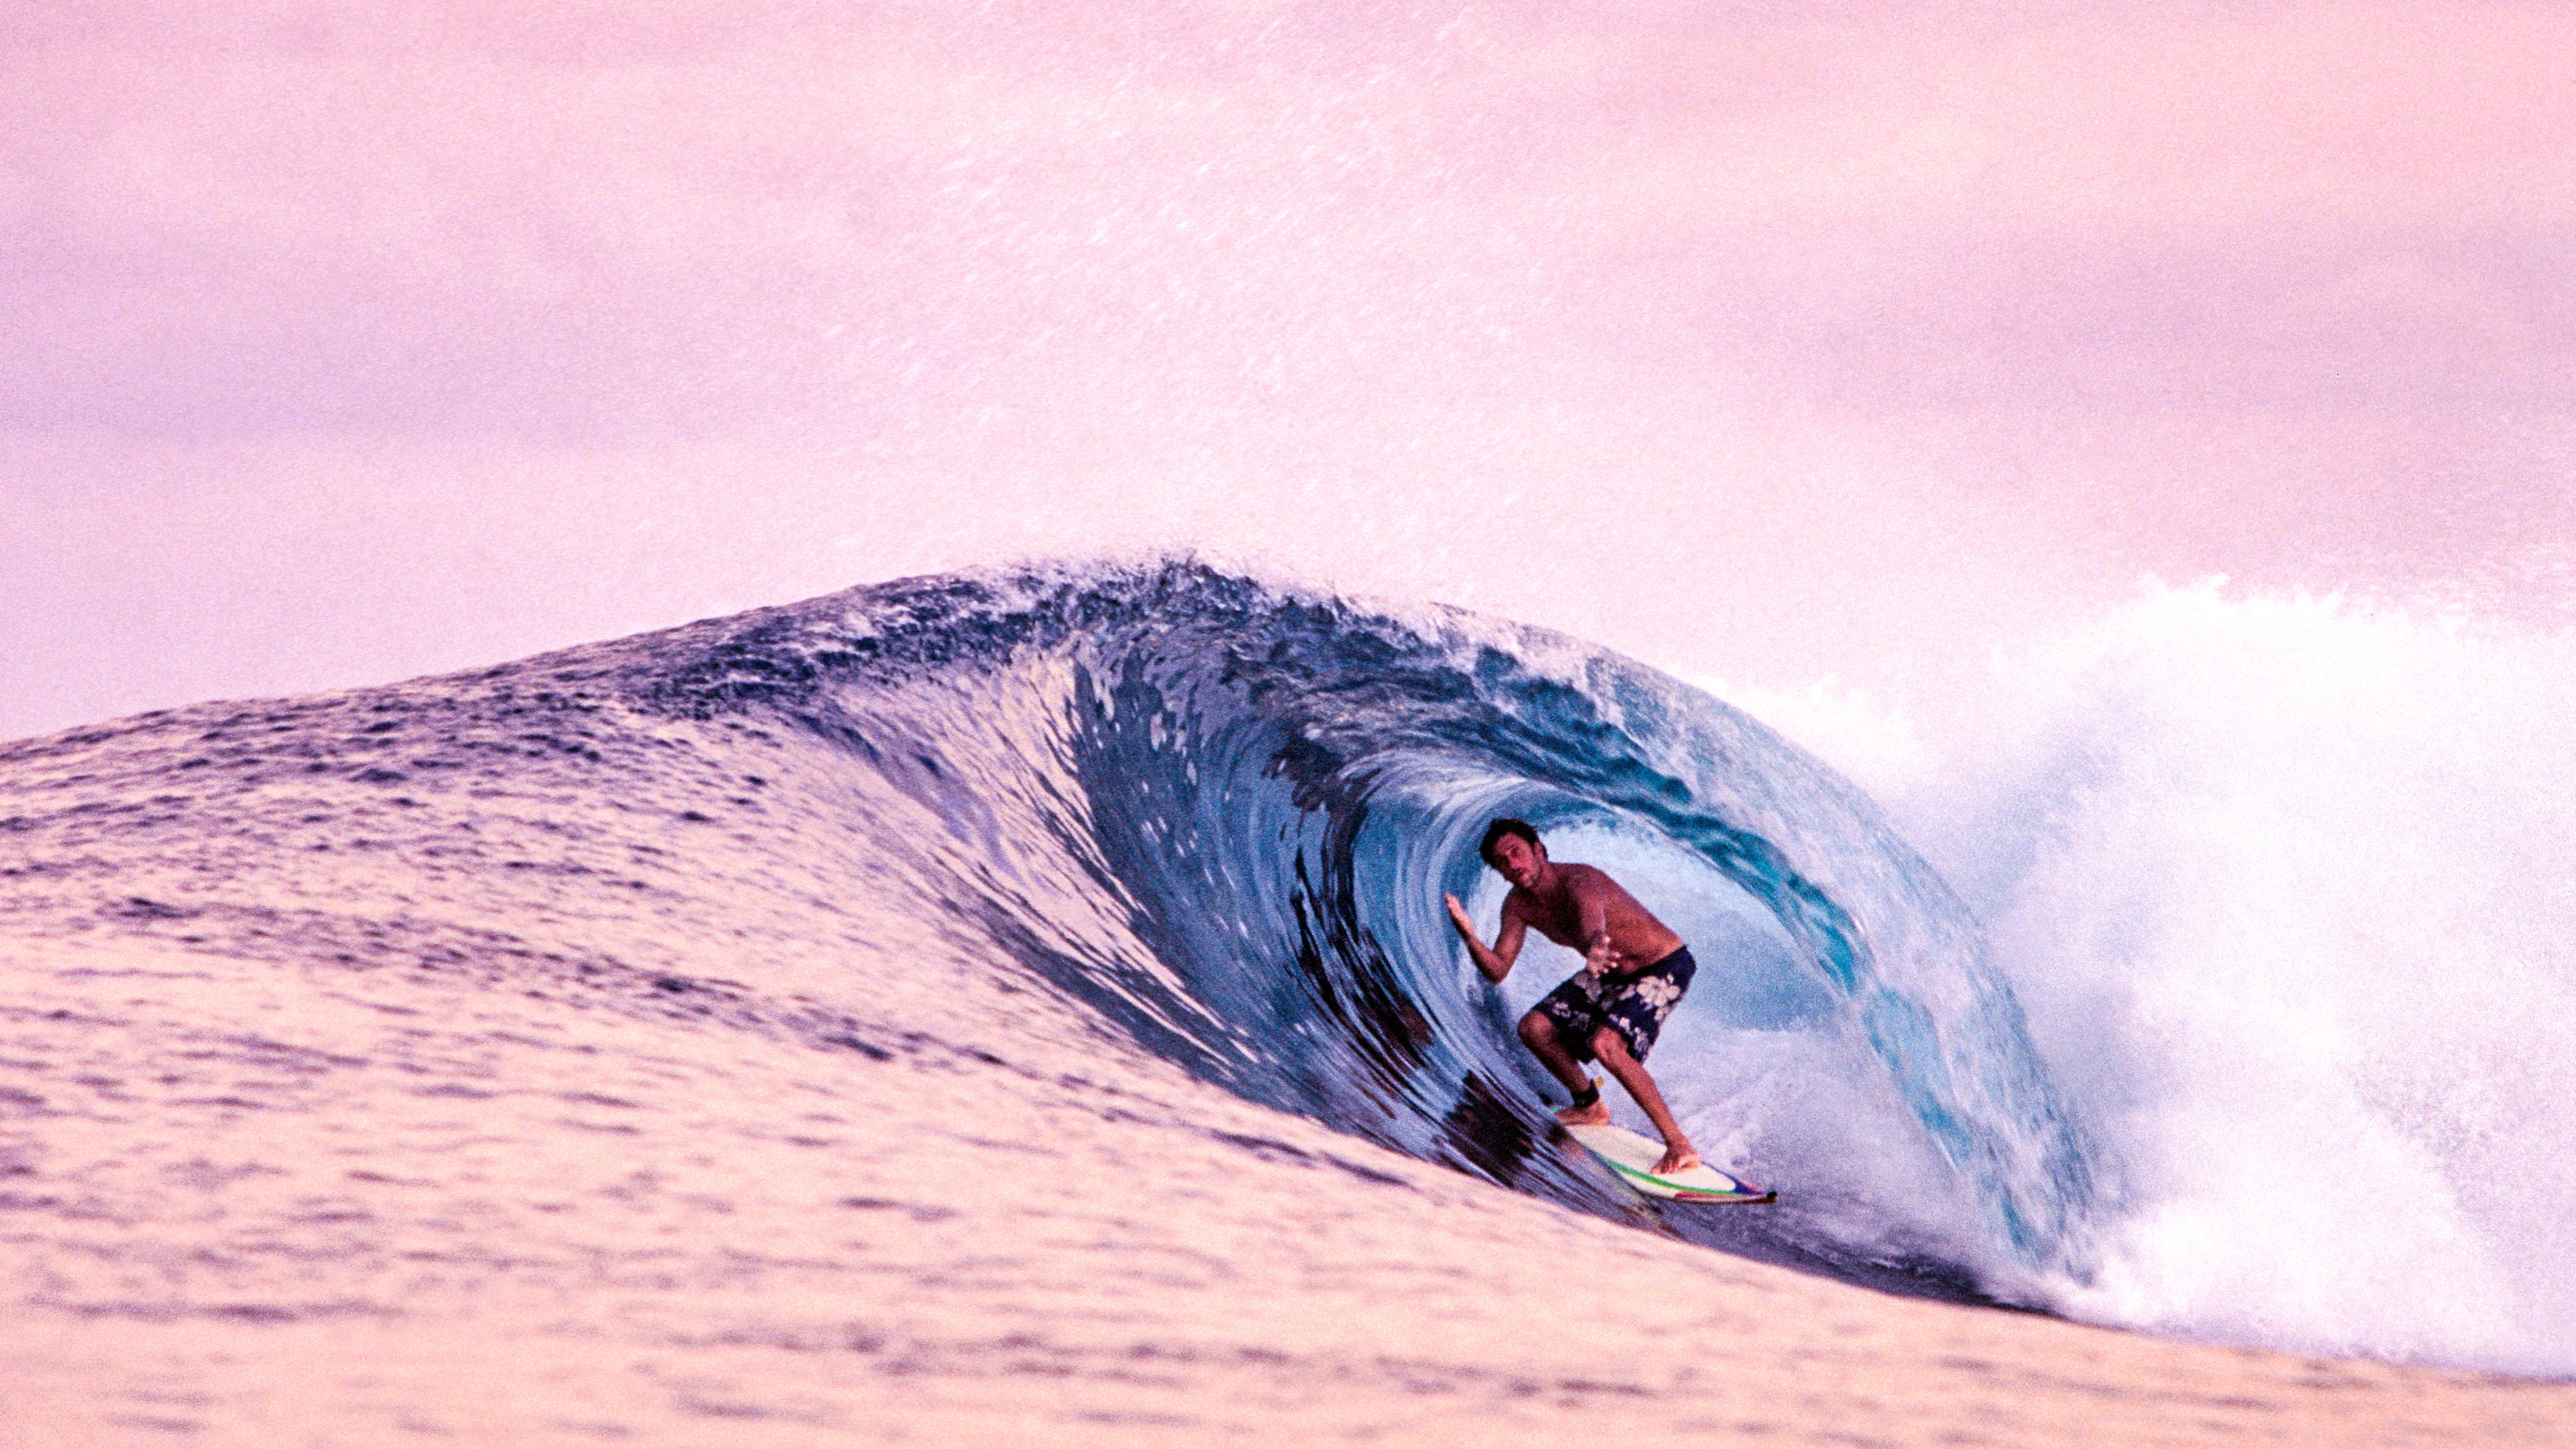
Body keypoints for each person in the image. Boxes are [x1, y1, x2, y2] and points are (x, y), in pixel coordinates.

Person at [1444, 818, 1703, 1174]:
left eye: (1517, 852)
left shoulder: (1581, 882)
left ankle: (1680, 1146)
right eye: (1502, 861)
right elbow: (1499, 969)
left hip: (1663, 964)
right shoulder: (1518, 905)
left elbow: (1591, 922)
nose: (1513, 864)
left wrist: (1596, 945)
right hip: (1611, 969)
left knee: (1606, 1045)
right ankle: (1590, 1105)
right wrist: (1471, 937)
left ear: (1538, 849)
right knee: (1534, 1028)